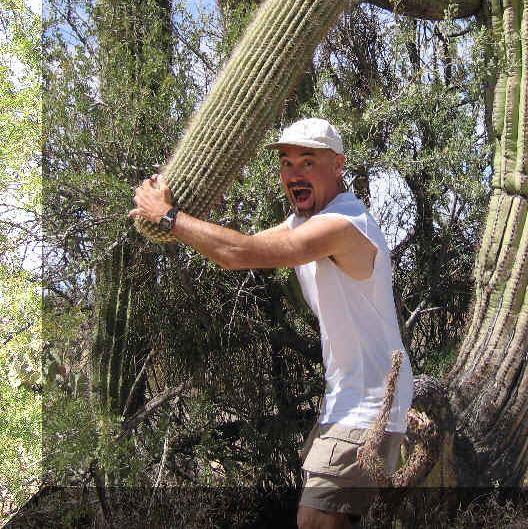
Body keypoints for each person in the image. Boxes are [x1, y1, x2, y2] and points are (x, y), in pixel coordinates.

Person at [130, 117, 413, 529]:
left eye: (307, 162)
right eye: (286, 163)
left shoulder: (344, 224)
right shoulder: (308, 219)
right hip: (350, 395)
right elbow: (245, 247)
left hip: (372, 399)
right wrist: (176, 216)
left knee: (316, 519)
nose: (293, 174)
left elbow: (238, 253)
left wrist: (170, 216)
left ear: (338, 166)